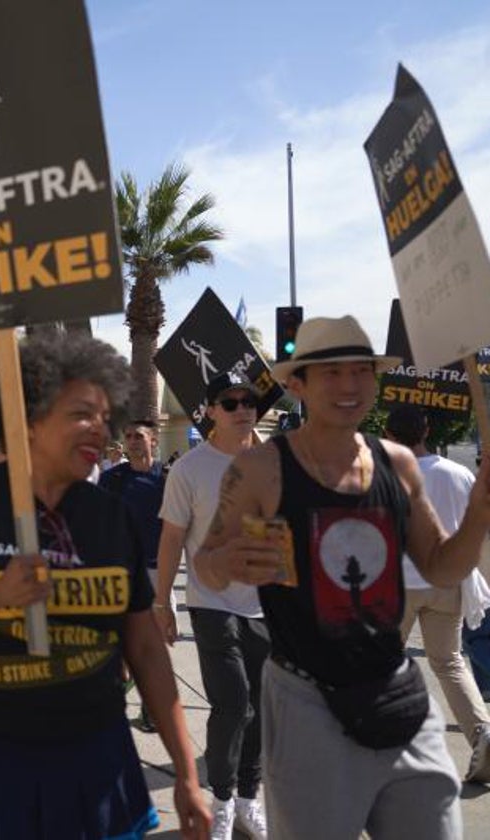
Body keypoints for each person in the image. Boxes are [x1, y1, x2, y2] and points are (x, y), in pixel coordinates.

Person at [0, 332, 210, 839]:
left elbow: (147, 650)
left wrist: (187, 774)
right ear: (31, 417)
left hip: (99, 761)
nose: (100, 430)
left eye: (105, 417)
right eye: (82, 413)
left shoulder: (111, 515)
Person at [196, 315, 490, 838]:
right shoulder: (262, 469)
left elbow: (443, 565)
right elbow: (207, 565)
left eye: (361, 371)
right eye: (330, 373)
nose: (349, 385)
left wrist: (481, 509)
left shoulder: (397, 463)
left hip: (396, 690)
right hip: (306, 700)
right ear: (297, 385)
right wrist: (228, 562)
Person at [155, 372, 269, 840]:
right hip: (211, 602)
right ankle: (221, 800)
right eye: (230, 401)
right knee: (234, 701)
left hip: (265, 606)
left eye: (249, 401)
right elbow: (171, 539)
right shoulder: (189, 469)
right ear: (210, 411)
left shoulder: (271, 463)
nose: (242, 408)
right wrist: (162, 601)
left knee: (260, 706)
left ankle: (247, 799)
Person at [384, 405, 490, 782]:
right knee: (449, 662)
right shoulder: (458, 472)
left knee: (384, 665)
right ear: (426, 430)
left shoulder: (387, 474)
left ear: (390, 435)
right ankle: (482, 731)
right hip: (447, 580)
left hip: (399, 582)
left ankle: (389, 745)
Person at [99, 418, 167, 735]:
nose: (133, 441)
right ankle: (116, 702)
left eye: (139, 435)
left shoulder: (168, 479)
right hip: (119, 570)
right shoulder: (111, 478)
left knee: (155, 646)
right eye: (128, 436)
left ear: (154, 440)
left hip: (157, 572)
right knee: (120, 642)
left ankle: (150, 709)